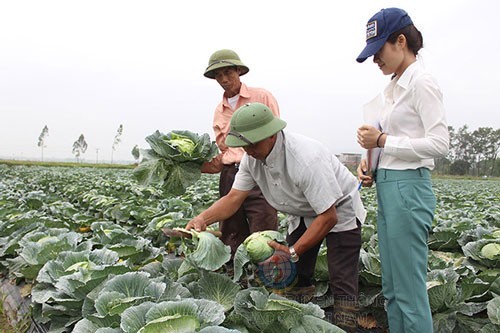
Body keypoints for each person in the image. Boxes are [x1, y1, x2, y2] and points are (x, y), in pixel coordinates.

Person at [187, 102, 366, 332]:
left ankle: (346, 326)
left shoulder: (305, 158)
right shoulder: (252, 159)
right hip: (302, 212)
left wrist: (294, 251)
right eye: (244, 144)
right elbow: (233, 198)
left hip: (339, 210)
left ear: (271, 135)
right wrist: (203, 219)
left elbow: (328, 216)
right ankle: (298, 320)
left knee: (341, 279)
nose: (248, 149)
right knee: (293, 275)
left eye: (253, 142)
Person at [355, 8, 449, 333]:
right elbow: (391, 142)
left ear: (400, 41)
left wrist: (383, 139)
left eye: (378, 51)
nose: (375, 60)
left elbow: (439, 143)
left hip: (409, 190)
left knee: (409, 292)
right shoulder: (393, 88)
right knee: (392, 290)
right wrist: (369, 163)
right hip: (387, 185)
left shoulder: (422, 83)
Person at [201, 49, 280, 255]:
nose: (224, 79)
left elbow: (275, 135)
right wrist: (195, 165)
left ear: (238, 71)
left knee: (263, 229)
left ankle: (267, 280)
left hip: (259, 171)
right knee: (231, 232)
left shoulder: (261, 96)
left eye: (228, 73)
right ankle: (236, 279)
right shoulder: (219, 109)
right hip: (230, 174)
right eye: (218, 75)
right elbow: (224, 151)